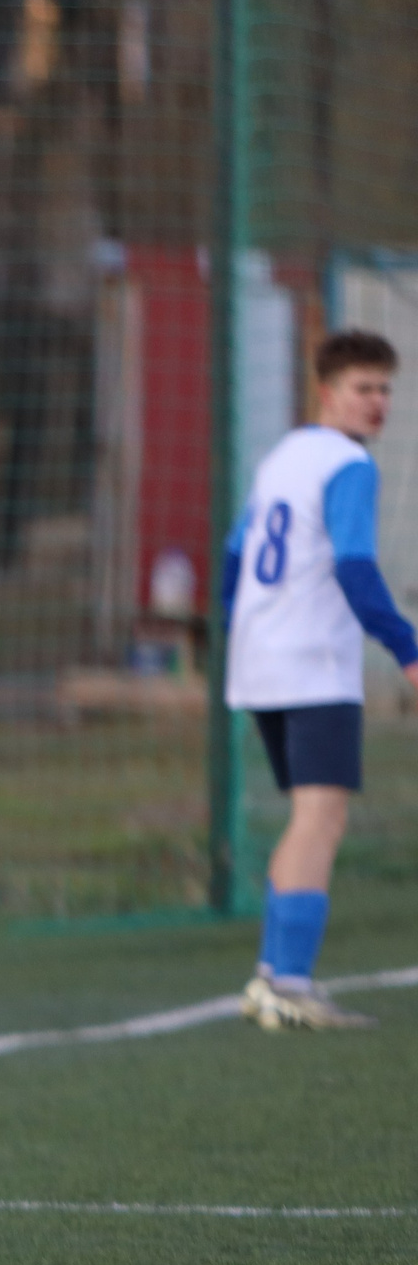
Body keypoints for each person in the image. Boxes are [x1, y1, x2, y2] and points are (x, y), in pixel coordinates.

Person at [222, 328, 418, 1030]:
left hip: (261, 661)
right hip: (313, 665)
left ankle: (273, 976)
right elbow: (356, 568)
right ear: (327, 391)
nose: (378, 402)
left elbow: (233, 553)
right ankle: (292, 983)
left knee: (309, 816)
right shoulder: (348, 465)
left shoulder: (284, 456)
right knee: (322, 817)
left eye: (386, 389)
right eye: (364, 388)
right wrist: (408, 646)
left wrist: (242, 630)